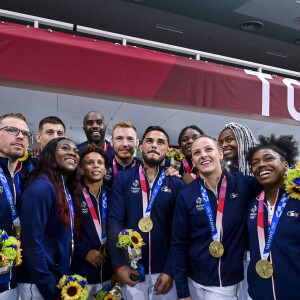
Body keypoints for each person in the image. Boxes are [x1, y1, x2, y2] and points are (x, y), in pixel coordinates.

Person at [171, 135, 261, 300]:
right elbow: (178, 243)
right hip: (194, 281)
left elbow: (274, 185)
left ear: (220, 154)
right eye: (197, 153)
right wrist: (183, 291)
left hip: (227, 283)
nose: (203, 155)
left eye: (208, 149)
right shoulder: (186, 195)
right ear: (193, 161)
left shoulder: (243, 184)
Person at [108, 126, 185, 299]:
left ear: (168, 149)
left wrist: (170, 270)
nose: (154, 146)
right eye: (149, 141)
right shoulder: (123, 179)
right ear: (140, 147)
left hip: (165, 272)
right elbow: (114, 222)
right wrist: (119, 265)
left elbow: (180, 232)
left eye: (160, 142)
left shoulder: (177, 184)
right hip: (132, 269)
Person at [17, 137, 81, 300]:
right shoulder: (42, 187)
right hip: (39, 284)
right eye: (65, 148)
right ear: (50, 154)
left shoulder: (61, 187)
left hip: (54, 280)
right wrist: (49, 286)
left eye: (76, 151)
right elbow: (31, 242)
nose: (72, 153)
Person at [246, 135, 300, 300]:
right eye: (255, 163)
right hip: (258, 292)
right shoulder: (252, 203)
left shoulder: (297, 199)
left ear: (285, 165)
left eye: (268, 158)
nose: (261, 164)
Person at [218, 122, 257, 300]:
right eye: (221, 142)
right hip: (230, 253)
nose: (224, 145)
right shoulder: (225, 176)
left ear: (243, 140)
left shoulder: (260, 172)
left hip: (255, 252)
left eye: (229, 139)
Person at [71, 144, 113, 298]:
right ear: (81, 169)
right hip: (82, 275)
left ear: (105, 169)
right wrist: (84, 252)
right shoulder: (72, 196)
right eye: (90, 162)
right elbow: (64, 233)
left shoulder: (113, 195)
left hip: (109, 273)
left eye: (100, 162)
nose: (96, 165)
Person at [0, 113, 31, 300]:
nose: (20, 136)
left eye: (25, 133)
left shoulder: (25, 179)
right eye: (12, 130)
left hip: (16, 283)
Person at [104, 120, 142, 187]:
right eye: (119, 138)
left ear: (137, 142)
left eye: (130, 139)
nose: (125, 144)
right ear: (112, 142)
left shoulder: (144, 169)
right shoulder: (102, 166)